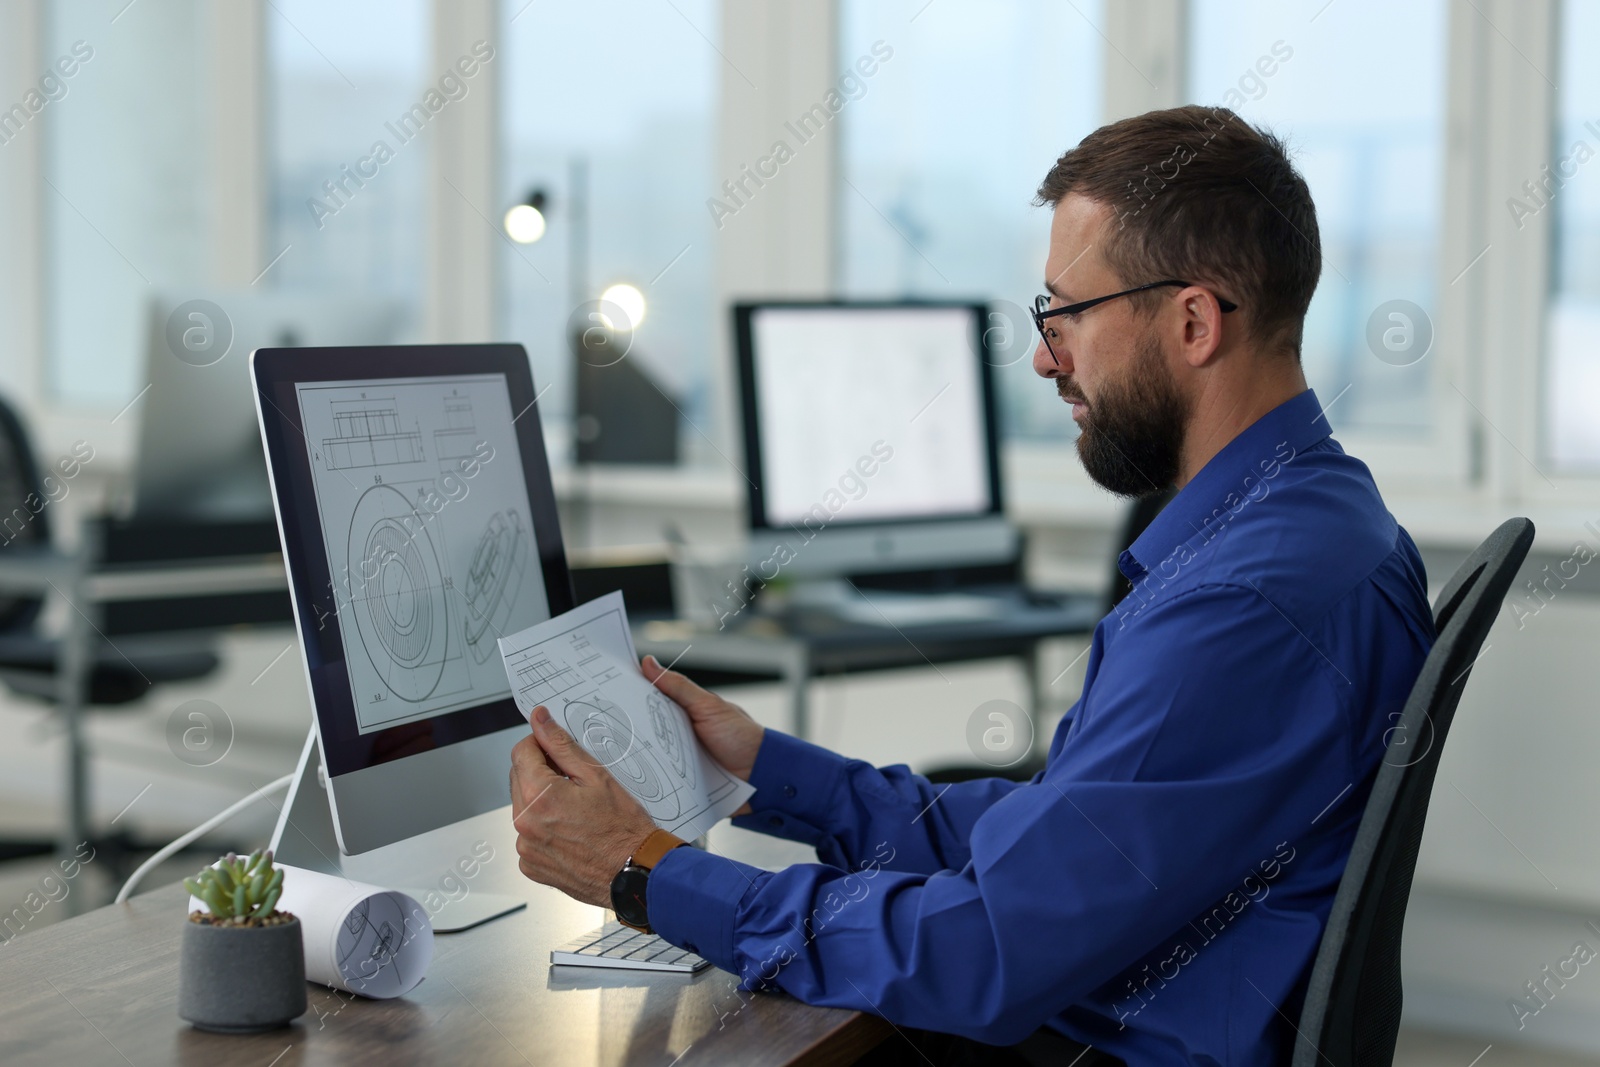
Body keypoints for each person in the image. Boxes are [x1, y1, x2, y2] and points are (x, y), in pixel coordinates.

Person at [507, 105, 1435, 1066]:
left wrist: (646, 874)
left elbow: (985, 951)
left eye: (1066, 312)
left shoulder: (1241, 605)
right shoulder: (1315, 524)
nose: (1043, 354)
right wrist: (764, 769)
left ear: (1193, 321)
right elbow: (1055, 840)